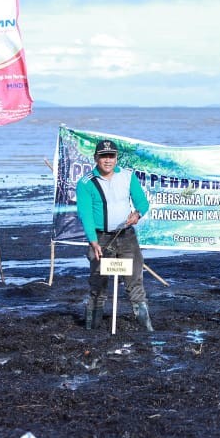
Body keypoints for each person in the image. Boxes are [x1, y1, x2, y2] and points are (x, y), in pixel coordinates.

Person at [76, 139, 153, 331]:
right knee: (98, 285)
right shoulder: (85, 183)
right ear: (96, 158)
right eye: (103, 156)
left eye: (111, 156)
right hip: (101, 239)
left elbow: (142, 203)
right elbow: (85, 215)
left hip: (127, 237)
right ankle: (92, 328)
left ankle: (145, 328)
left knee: (135, 281)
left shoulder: (128, 176)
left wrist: (137, 214)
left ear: (116, 158)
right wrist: (93, 242)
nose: (107, 160)